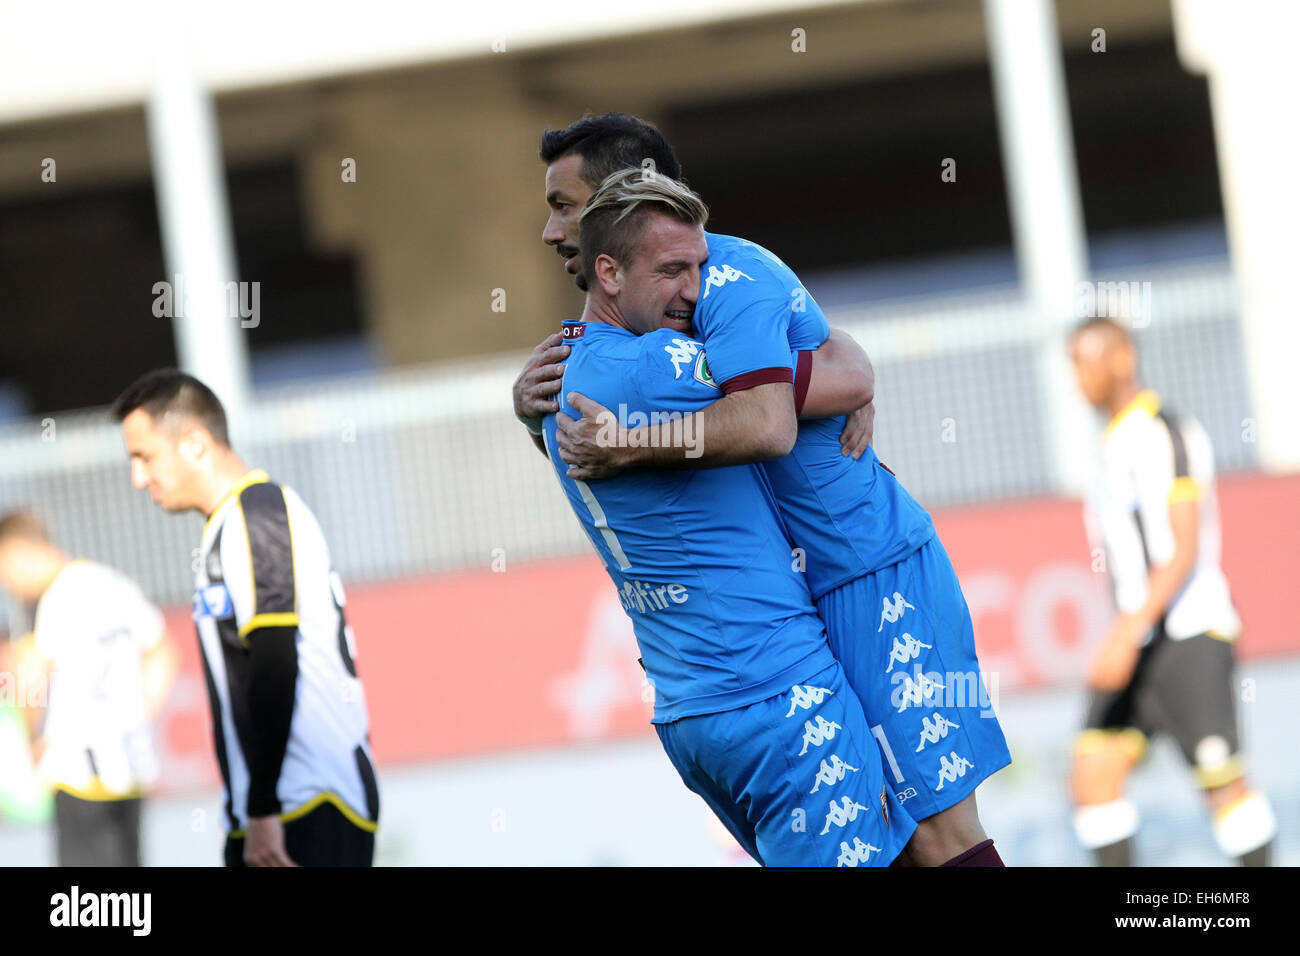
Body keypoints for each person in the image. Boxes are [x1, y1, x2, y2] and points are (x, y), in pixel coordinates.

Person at [516, 114, 1009, 866]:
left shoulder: (727, 282)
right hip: (797, 608)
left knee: (938, 832)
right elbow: (822, 373)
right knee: (897, 846)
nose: (552, 232)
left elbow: (777, 416)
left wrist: (627, 441)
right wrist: (532, 415)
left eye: (565, 205)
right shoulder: (647, 327)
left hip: (869, 573)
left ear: (633, 195)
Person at [111, 370, 379, 867]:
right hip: (274, 809)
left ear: (193, 443)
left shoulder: (257, 513)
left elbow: (276, 661)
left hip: (307, 804)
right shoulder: (227, 524)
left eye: (143, 457)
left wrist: (262, 808)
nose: (138, 478)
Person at [1067, 316, 1276, 866]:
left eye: (1085, 361)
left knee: (1224, 787)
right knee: (1094, 777)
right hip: (1141, 643)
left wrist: (1125, 633)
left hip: (1188, 636)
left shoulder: (1165, 430)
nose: (1076, 379)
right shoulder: (1108, 445)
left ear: (1122, 359)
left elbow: (1182, 549)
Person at [0, 510, 176, 865]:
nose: (7, 585)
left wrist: (33, 739)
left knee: (85, 902)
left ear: (18, 551)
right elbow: (163, 651)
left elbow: (31, 675)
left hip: (77, 770)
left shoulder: (47, 601)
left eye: (5, 572)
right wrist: (140, 713)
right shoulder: (112, 582)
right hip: (129, 765)